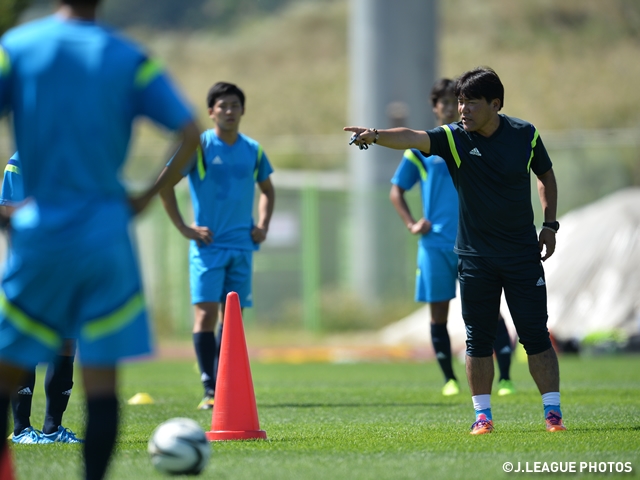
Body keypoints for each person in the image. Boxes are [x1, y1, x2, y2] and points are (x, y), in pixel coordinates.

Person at [0, 1, 201, 479]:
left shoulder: (17, 49)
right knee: (103, 385)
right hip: (106, 234)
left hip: (41, 232)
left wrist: (7, 211)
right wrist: (143, 199)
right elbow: (190, 131)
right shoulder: (129, 56)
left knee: (6, 373)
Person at [346, 67, 564, 435]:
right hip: (475, 259)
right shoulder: (454, 138)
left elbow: (546, 176)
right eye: (460, 101)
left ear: (495, 104)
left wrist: (550, 225)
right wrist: (376, 135)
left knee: (535, 335)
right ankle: (482, 416)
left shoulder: (525, 135)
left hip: (521, 255)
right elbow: (413, 137)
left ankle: (553, 414)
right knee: (477, 340)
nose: (462, 109)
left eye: (471, 102)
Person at [389, 78, 515, 398]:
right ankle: (449, 379)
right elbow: (397, 191)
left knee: (488, 309)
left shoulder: (471, 141)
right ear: (434, 107)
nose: (449, 107)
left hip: (473, 242)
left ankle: (506, 378)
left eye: (454, 100)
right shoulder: (422, 150)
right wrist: (412, 223)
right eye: (443, 102)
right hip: (434, 245)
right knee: (438, 313)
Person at [159, 81, 275, 410]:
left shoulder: (253, 149)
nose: (228, 111)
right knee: (206, 314)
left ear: (242, 111)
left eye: (234, 105)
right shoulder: (199, 147)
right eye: (222, 106)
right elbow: (163, 185)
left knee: (232, 317)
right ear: (211, 112)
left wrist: (263, 225)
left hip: (242, 246)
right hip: (208, 246)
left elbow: (268, 190)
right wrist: (184, 227)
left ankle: (224, 385)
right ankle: (209, 387)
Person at [0, 153, 82, 444]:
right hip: (34, 268)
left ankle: (53, 429)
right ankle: (22, 429)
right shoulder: (21, 161)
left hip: (70, 267)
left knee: (66, 343)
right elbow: (6, 214)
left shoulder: (79, 155)